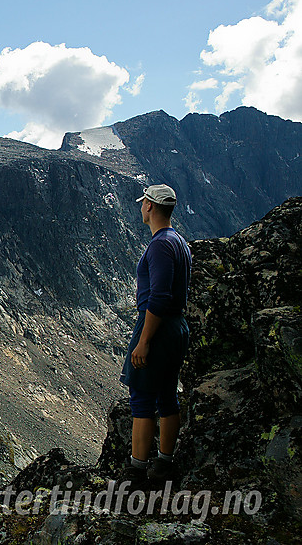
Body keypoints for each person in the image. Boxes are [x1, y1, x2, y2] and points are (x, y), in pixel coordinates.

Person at [120, 184, 191, 485]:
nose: (141, 208)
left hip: (157, 328)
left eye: (143, 203)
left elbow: (158, 297)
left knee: (142, 398)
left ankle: (136, 472)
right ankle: (164, 464)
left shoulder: (160, 244)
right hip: (176, 327)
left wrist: (144, 341)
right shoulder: (179, 242)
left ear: (149, 206)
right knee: (167, 396)